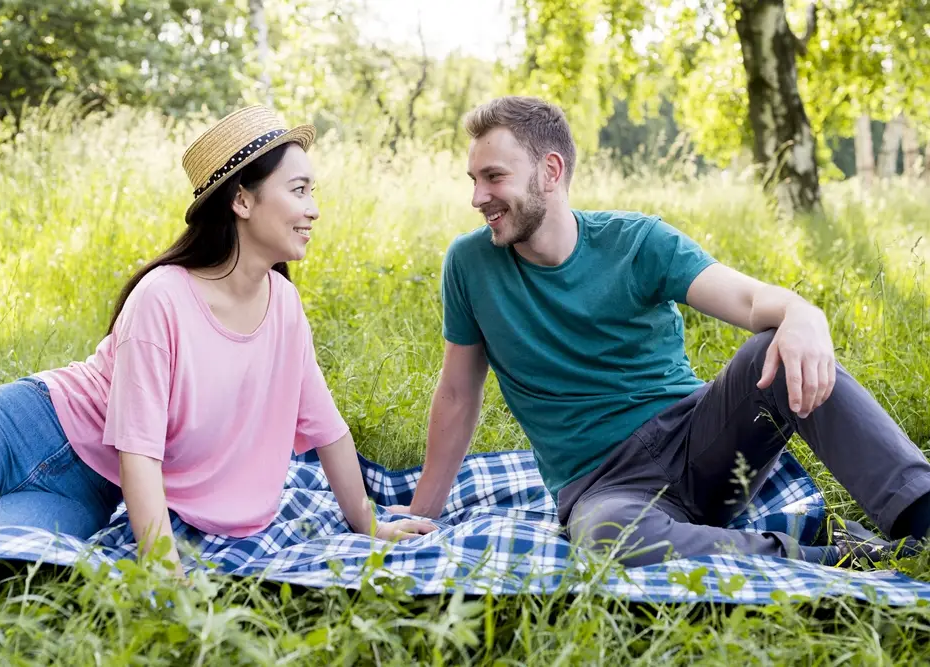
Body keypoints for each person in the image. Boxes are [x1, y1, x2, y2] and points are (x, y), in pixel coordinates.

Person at [390, 96, 930, 567]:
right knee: (609, 540)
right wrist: (421, 515)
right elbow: (459, 394)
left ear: (550, 171)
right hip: (603, 486)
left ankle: (922, 518)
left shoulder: (638, 241)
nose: (478, 197)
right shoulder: (469, 264)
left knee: (781, 345)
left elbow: (746, 298)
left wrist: (803, 314)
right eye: (474, 179)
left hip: (697, 440)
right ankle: (841, 557)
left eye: (494, 177)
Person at [0, 106, 435, 574]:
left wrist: (369, 525)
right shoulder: (163, 297)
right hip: (19, 428)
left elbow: (327, 429)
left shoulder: (283, 305)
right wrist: (165, 569)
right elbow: (140, 452)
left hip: (89, 490)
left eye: (312, 191)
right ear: (241, 199)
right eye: (299, 190)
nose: (314, 209)